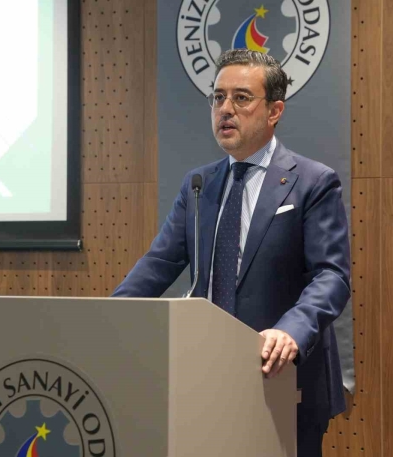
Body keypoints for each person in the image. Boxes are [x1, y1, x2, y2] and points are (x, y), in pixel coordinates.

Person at [113, 49, 350, 456]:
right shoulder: (199, 184)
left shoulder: (312, 182)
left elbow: (331, 275)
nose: (225, 109)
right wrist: (111, 313)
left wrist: (291, 331)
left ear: (274, 111)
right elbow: (159, 262)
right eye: (218, 97)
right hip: (208, 376)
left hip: (281, 377)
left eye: (241, 98)